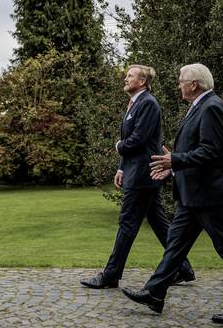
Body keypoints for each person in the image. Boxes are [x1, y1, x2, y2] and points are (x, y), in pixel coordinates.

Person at [121, 63, 223, 324]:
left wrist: (174, 161)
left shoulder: (212, 107)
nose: (178, 84)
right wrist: (172, 168)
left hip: (210, 195)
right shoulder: (200, 107)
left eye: (181, 80)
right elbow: (195, 153)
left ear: (193, 84)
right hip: (192, 195)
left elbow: (210, 152)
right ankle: (155, 292)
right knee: (174, 247)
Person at [80, 65, 195, 290]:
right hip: (137, 172)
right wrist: (122, 168)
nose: (125, 78)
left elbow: (137, 139)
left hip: (143, 174)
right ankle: (182, 268)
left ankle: (111, 275)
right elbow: (130, 139)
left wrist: (118, 147)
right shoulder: (135, 103)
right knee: (160, 223)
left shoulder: (148, 104)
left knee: (127, 224)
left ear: (142, 82)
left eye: (130, 75)